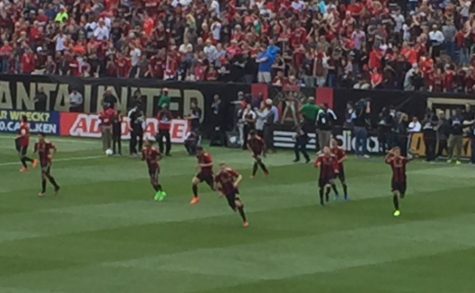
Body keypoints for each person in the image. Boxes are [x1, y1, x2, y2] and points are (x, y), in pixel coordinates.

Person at [214, 163, 249, 228]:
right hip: (227, 193)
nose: (223, 169)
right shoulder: (218, 175)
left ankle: (245, 221)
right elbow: (215, 184)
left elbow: (240, 176)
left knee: (239, 205)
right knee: (231, 204)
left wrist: (236, 182)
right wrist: (220, 192)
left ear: (225, 167)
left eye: (224, 167)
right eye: (221, 168)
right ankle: (234, 206)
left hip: (234, 190)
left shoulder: (230, 171)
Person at [385, 147, 410, 217]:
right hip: (395, 180)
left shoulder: (403, 159)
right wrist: (388, 154)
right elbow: (386, 161)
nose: (397, 153)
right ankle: (397, 209)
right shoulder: (392, 160)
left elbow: (411, 159)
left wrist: (412, 154)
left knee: (401, 195)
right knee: (395, 193)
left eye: (398, 152)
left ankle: (402, 194)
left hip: (403, 180)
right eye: (395, 152)